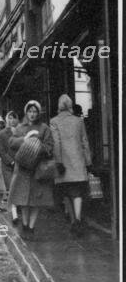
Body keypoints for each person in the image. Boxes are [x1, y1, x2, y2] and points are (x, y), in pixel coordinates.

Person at [8, 101, 54, 240]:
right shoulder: (20, 128)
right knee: (24, 201)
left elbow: (50, 146)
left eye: (35, 111)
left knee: (35, 201)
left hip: (38, 170)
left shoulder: (44, 128)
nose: (32, 114)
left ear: (38, 113)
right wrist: (25, 140)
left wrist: (39, 147)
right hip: (23, 170)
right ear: (26, 112)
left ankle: (31, 228)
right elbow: (11, 142)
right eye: (30, 111)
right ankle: (25, 225)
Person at [50, 94, 92, 237]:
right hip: (78, 162)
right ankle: (78, 219)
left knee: (66, 192)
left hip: (63, 163)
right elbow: (84, 141)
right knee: (77, 192)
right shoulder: (78, 121)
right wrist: (88, 161)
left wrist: (59, 161)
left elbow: (56, 143)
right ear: (70, 105)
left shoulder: (54, 121)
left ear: (59, 105)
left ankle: (73, 220)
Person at [0, 111, 20, 224]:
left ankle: (17, 209)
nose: (12, 121)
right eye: (10, 118)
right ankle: (14, 214)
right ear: (7, 120)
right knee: (11, 188)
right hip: (8, 166)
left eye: (14, 118)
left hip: (20, 165)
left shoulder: (20, 132)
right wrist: (11, 162)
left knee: (19, 188)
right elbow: (1, 151)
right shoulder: (2, 134)